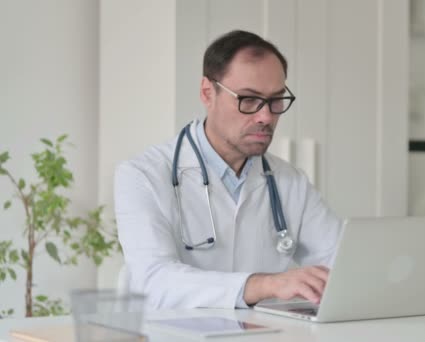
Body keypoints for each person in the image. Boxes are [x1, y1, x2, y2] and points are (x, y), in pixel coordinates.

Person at [114, 30, 342, 309]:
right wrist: (265, 284)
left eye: (275, 100)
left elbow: (341, 266)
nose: (266, 116)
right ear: (208, 93)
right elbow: (152, 281)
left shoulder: (290, 182)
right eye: (248, 99)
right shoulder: (142, 176)